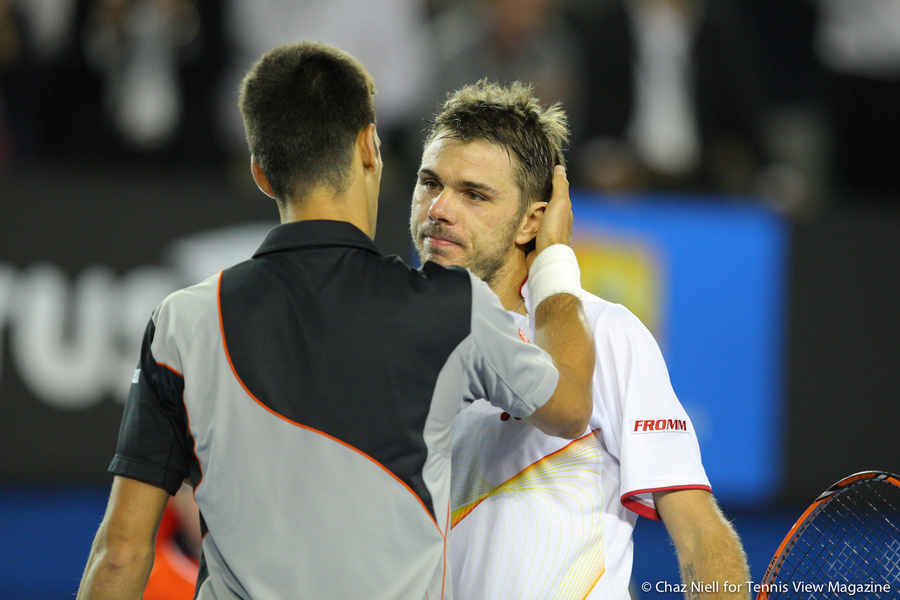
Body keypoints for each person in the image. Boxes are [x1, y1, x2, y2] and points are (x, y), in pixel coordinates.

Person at [75, 41, 595, 600]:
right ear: (371, 148)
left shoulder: (182, 321)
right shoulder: (454, 307)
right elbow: (569, 406)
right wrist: (554, 259)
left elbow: (120, 555)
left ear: (261, 173)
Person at [409, 80, 750, 599]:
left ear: (532, 221)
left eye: (474, 194)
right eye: (430, 183)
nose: (439, 208)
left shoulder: (607, 333)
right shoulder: (386, 332)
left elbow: (700, 534)